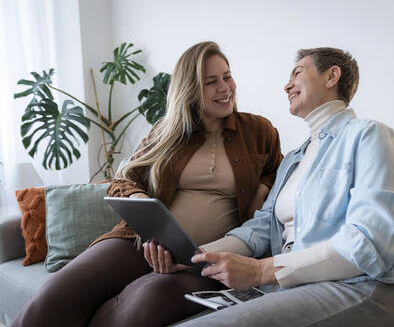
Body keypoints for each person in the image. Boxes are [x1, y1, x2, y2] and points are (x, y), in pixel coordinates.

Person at [12, 41, 282, 327]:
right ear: (189, 89)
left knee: (144, 302)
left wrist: (262, 190)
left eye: (227, 76)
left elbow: (278, 173)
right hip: (140, 240)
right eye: (211, 82)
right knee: (54, 297)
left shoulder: (258, 130)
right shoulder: (166, 132)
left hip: (202, 260)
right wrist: (147, 214)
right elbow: (123, 179)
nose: (225, 87)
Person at [178, 47, 394, 327]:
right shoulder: (293, 159)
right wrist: (194, 255)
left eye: (297, 73)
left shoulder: (369, 135)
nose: (286, 85)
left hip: (361, 285)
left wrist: (260, 270)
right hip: (294, 288)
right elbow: (261, 228)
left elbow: (368, 244)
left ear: (331, 76)